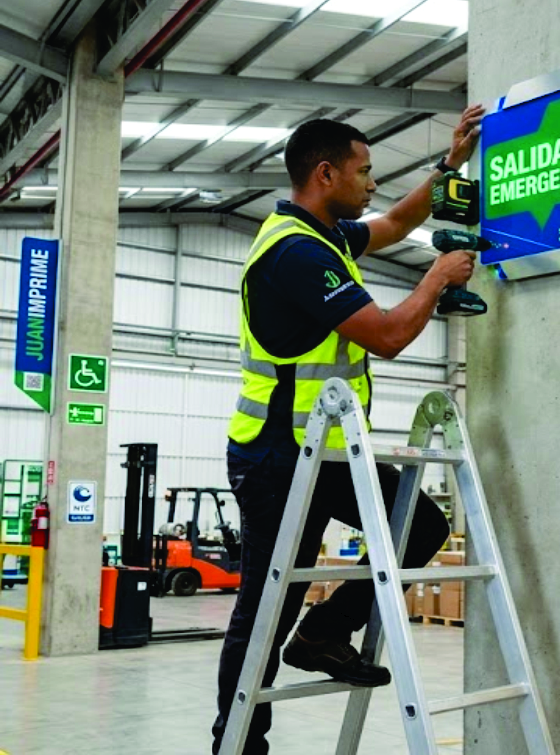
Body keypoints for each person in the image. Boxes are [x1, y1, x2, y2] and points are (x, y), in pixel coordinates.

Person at [212, 104, 484, 755]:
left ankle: (321, 634)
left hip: (327, 452)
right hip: (277, 455)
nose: (372, 184)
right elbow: (388, 335)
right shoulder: (297, 253)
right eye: (364, 172)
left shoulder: (327, 234)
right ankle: (238, 743)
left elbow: (394, 223)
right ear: (326, 173)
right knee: (266, 603)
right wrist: (437, 277)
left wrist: (451, 164)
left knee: (416, 525)